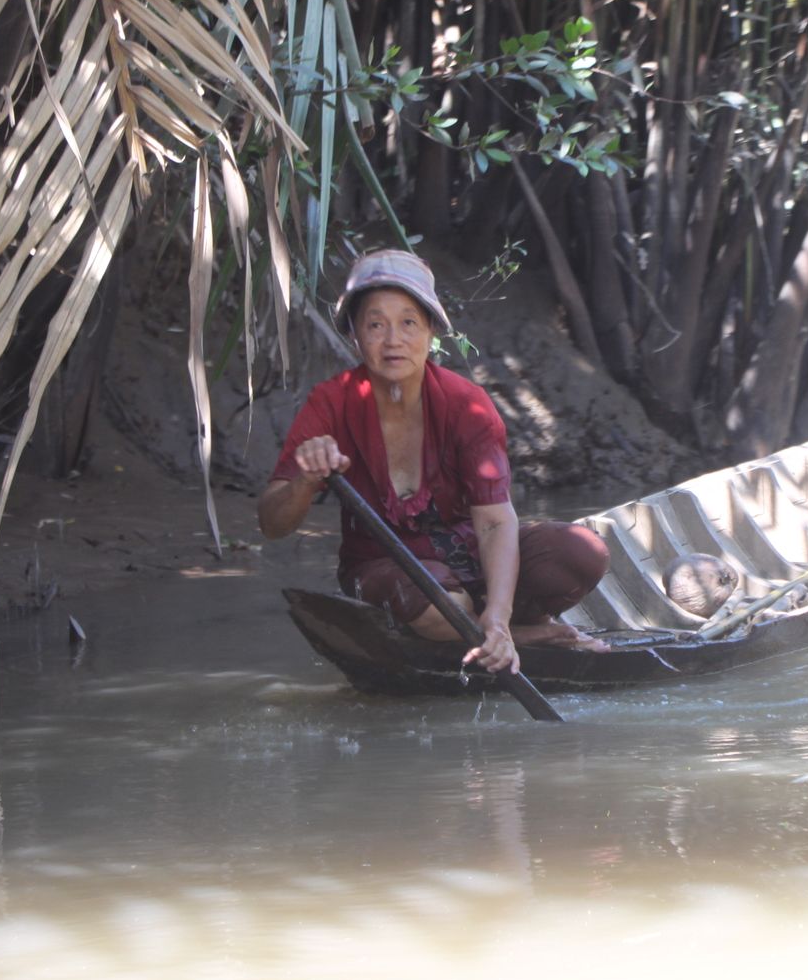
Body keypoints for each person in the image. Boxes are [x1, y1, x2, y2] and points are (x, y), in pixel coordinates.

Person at [257, 250, 610, 675]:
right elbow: (272, 524)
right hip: (389, 572)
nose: (393, 340)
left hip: (468, 559)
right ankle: (527, 635)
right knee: (441, 606)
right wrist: (304, 481)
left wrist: (497, 615)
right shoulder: (330, 403)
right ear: (354, 335)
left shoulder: (467, 405)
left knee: (582, 552)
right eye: (375, 324)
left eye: (409, 322)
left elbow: (496, 522)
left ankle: (494, 628)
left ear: (430, 331)